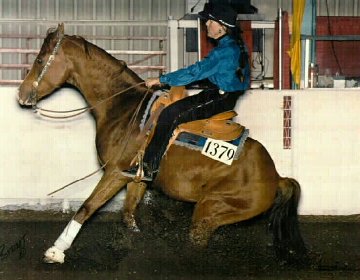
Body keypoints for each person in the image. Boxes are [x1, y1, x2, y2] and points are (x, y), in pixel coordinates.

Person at [122, 3, 250, 181]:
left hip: (219, 97)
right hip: (220, 94)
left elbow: (194, 72)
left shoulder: (224, 51)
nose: (206, 25)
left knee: (169, 114)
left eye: (210, 21)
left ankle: (148, 168)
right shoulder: (235, 46)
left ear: (221, 26)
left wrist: (161, 80)